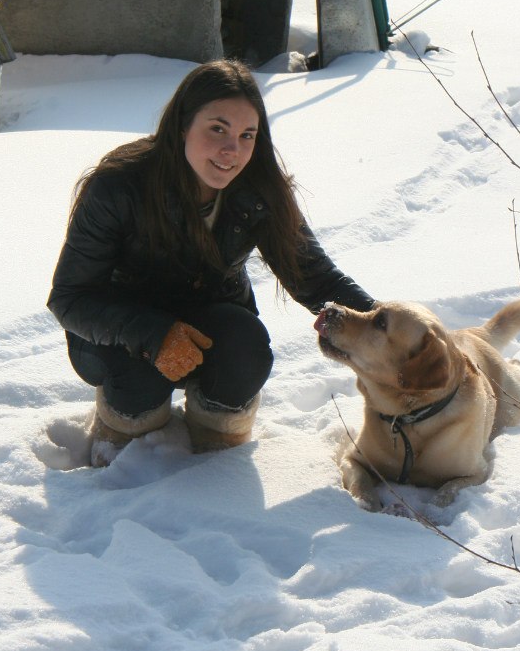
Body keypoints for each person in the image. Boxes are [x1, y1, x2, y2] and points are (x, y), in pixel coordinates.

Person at [47, 59, 375, 467]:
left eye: (246, 135)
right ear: (183, 124)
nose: (231, 150)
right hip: (117, 334)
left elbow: (314, 276)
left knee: (248, 350)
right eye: (217, 129)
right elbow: (69, 297)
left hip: (209, 325)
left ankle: (215, 456)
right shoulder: (118, 185)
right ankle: (123, 443)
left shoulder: (259, 189)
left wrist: (388, 326)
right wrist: (153, 334)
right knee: (138, 377)